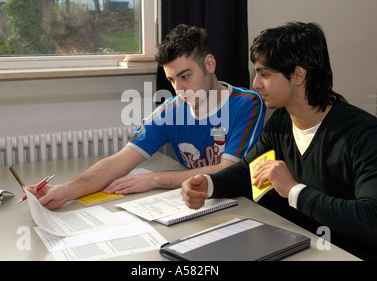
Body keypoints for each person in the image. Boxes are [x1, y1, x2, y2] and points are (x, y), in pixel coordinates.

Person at [181, 22, 377, 260]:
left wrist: (294, 190)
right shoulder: (281, 121)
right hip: (292, 244)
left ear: (298, 75)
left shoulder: (365, 135)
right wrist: (209, 184)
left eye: (264, 74)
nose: (255, 84)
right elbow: (249, 172)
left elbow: (370, 219)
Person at [29, 24, 265, 210]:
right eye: (172, 80)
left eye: (185, 76)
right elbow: (119, 162)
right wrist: (66, 190)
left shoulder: (247, 104)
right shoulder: (170, 111)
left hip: (241, 208)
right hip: (195, 205)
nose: (179, 89)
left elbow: (227, 171)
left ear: (209, 64)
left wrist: (155, 179)